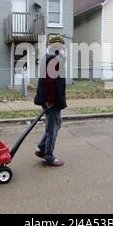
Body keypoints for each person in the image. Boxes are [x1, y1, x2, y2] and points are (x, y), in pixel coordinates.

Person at [34, 36, 67, 167]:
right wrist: (50, 100)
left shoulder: (53, 58)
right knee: (52, 128)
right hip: (51, 100)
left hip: (53, 99)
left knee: (57, 123)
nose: (62, 48)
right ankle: (48, 155)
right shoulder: (52, 59)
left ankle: (42, 148)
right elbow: (49, 83)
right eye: (60, 46)